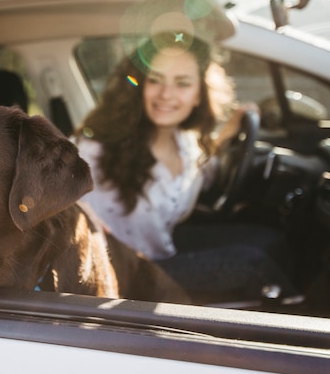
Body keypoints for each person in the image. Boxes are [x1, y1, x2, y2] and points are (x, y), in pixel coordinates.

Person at [75, 31, 296, 304]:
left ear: (199, 95)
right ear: (140, 86)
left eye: (182, 83)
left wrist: (229, 134)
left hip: (161, 248)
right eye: (155, 80)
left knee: (269, 239)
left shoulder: (186, 143)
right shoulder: (100, 148)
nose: (166, 94)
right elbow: (53, 177)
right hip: (126, 275)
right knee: (254, 264)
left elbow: (203, 172)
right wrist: (79, 208)